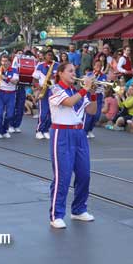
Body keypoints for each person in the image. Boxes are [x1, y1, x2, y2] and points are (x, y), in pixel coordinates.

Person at [48, 63, 97, 229]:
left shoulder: (76, 92)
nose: (73, 74)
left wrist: (93, 93)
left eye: (74, 71)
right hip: (62, 134)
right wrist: (85, 89)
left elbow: (91, 111)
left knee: (84, 174)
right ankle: (56, 215)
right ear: (60, 73)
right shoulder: (55, 89)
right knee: (63, 177)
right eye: (70, 71)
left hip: (79, 134)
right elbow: (68, 102)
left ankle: (78, 210)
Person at [33, 50, 59, 140]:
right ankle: (39, 130)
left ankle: (46, 130)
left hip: (53, 91)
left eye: (52, 55)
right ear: (44, 56)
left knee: (51, 112)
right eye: (48, 55)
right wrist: (38, 88)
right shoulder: (40, 66)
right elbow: (35, 80)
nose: (50, 56)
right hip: (44, 90)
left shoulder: (57, 65)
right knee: (43, 112)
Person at [0, 55, 19, 139]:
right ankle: (0, 131)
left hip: (11, 94)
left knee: (10, 115)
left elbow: (15, 82)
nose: (4, 63)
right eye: (2, 61)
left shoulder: (14, 70)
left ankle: (5, 129)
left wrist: (5, 78)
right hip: (1, 93)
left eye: (6, 61)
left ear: (9, 62)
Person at [84, 60, 107, 139]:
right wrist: (92, 79)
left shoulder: (103, 75)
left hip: (99, 96)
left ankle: (90, 129)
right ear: (94, 66)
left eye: (100, 66)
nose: (98, 67)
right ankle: (85, 130)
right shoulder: (89, 74)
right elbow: (85, 84)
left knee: (97, 115)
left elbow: (104, 84)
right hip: (90, 95)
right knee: (89, 114)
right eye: (97, 65)